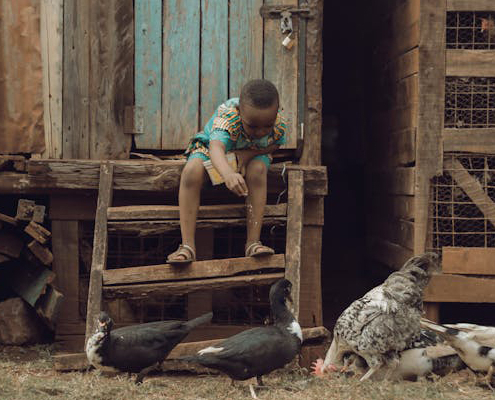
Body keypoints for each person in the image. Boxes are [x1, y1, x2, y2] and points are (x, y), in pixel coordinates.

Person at [166, 79, 287, 264]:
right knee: (191, 172)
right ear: (240, 111)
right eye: (253, 126)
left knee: (258, 169)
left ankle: (253, 243)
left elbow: (275, 143)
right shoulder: (228, 116)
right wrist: (228, 174)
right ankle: (187, 246)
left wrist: (247, 155)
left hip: (252, 151)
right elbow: (216, 148)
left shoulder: (278, 121)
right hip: (212, 150)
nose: (261, 132)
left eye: (267, 126)